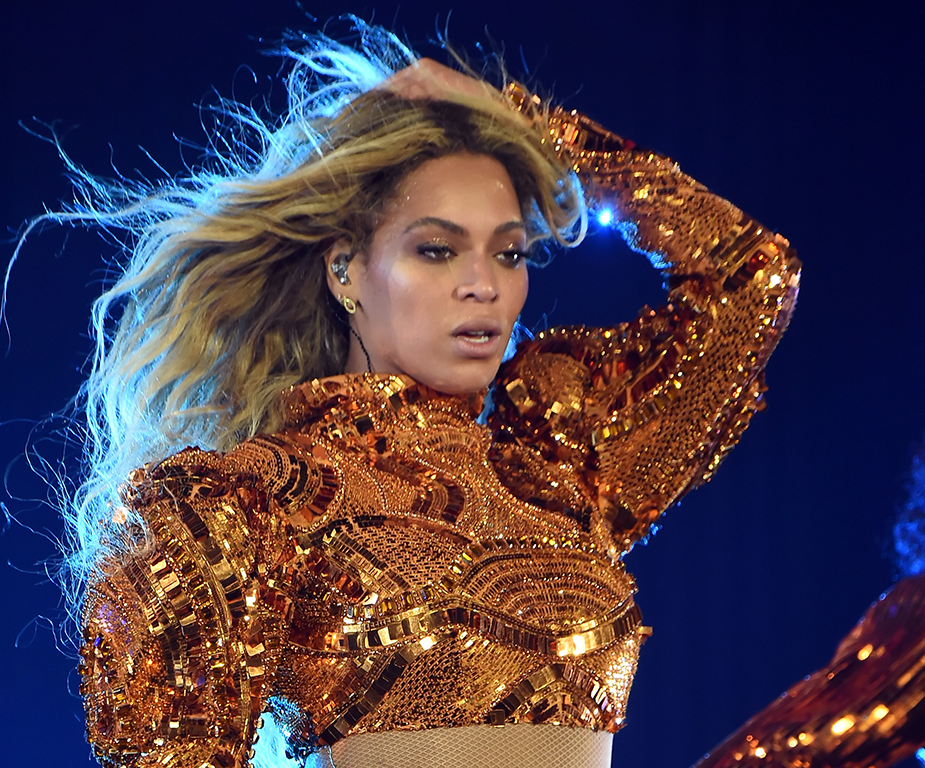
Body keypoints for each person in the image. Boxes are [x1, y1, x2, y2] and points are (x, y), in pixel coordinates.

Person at [63, 22, 800, 768]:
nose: (482, 284)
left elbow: (752, 280)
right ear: (345, 269)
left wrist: (527, 123)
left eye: (508, 252)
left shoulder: (560, 464)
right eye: (437, 249)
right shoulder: (254, 500)